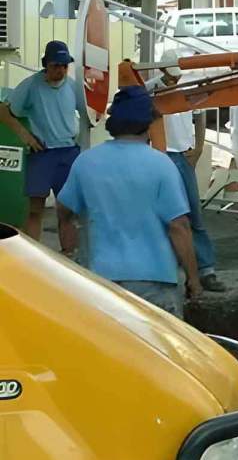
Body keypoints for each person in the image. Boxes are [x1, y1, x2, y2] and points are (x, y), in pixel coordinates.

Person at [56, 85, 202, 317]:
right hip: (155, 282)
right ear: (148, 122)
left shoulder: (86, 162)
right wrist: (194, 278)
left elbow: (64, 210)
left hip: (100, 281)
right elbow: (179, 226)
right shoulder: (162, 165)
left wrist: (69, 252)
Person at [145, 49, 225, 292]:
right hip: (162, 154)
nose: (175, 81)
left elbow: (199, 116)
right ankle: (170, 267)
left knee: (193, 213)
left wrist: (199, 146)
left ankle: (205, 269)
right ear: (162, 71)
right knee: (167, 217)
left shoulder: (188, 86)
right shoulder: (151, 89)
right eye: (171, 77)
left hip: (183, 154)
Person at [0, 40, 79, 241]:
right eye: (55, 66)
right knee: (36, 209)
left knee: (68, 210)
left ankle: (68, 256)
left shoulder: (73, 86)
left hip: (68, 151)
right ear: (46, 65)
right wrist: (24, 135)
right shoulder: (31, 85)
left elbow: (92, 112)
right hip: (42, 151)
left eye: (64, 66)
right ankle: (33, 259)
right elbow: (4, 111)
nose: (60, 71)